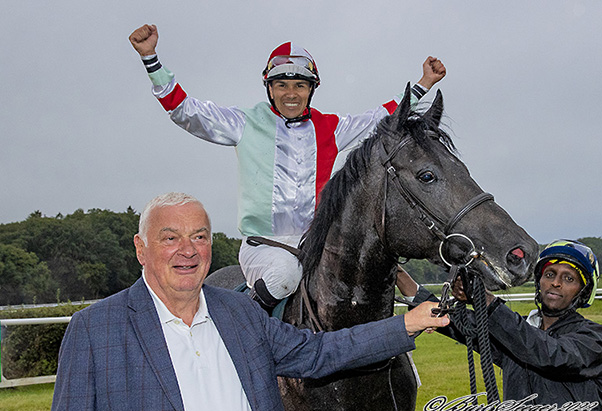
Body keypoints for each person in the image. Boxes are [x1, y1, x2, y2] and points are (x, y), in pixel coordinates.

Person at [46, 192, 450, 411]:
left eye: (200, 236)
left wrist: (408, 324)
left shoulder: (239, 311)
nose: (188, 250)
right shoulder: (93, 330)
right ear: (141, 248)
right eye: (171, 238)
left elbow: (319, 352)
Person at [128, 24, 447, 310]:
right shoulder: (244, 123)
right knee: (285, 277)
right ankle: (242, 330)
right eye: (282, 85)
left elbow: (384, 118)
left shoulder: (330, 128)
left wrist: (424, 83)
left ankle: (406, 349)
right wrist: (151, 60)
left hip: (318, 243)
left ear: (311, 89)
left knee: (373, 266)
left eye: (300, 85)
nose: (291, 93)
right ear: (269, 88)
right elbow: (186, 111)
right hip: (266, 248)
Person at [437, 239, 602, 411]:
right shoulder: (518, 333)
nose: (556, 283)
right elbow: (460, 322)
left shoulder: (597, 338)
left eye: (569, 278)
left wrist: (486, 301)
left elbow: (550, 354)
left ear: (582, 291)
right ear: (539, 282)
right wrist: (403, 281)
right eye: (550, 274)